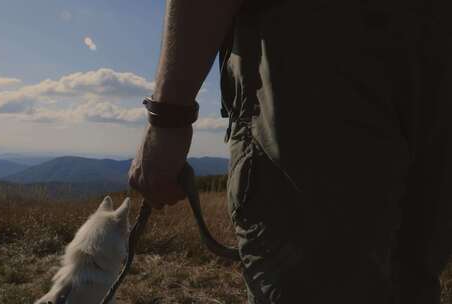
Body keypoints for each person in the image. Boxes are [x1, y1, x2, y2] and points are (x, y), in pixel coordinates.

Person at [128, 1, 452, 303]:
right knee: (412, 279)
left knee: (317, 280)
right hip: (435, 56)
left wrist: (168, 117)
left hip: (315, 61)